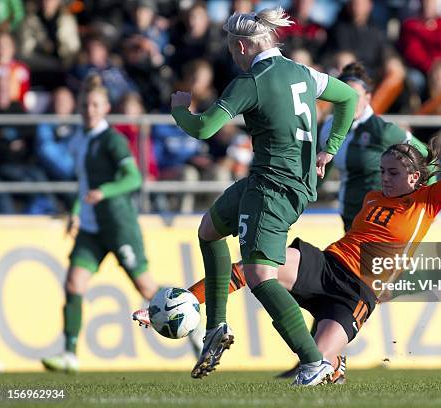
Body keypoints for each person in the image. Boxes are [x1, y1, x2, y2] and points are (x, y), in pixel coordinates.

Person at [134, 87, 441, 384]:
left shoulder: (427, 202)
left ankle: (335, 364)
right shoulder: (372, 197)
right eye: (383, 171)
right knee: (251, 268)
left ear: (415, 178)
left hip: (355, 294)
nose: (385, 178)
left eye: (394, 173)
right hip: (326, 263)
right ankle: (192, 301)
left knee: (315, 366)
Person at [168, 7, 358, 386]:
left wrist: (179, 110)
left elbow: (205, 128)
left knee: (260, 275)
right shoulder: (303, 73)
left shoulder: (252, 81)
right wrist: (329, 148)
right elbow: (349, 98)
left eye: (231, 50)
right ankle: (216, 327)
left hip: (273, 185)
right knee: (209, 229)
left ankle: (314, 360)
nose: (232, 57)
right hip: (281, 181)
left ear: (241, 46)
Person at [41, 74, 159, 372]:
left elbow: (133, 178)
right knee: (73, 283)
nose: (90, 109)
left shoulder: (112, 140)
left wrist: (104, 191)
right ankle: (69, 353)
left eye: (95, 104)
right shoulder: (81, 140)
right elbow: (84, 185)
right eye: (85, 104)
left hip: (118, 225)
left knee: (146, 288)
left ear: (106, 107)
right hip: (92, 228)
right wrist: (77, 211)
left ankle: (191, 320)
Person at [319, 62, 437, 231]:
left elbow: (427, 157)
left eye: (355, 96)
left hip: (379, 219)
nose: (348, 102)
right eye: (343, 96)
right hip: (348, 218)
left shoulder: (382, 130)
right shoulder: (328, 127)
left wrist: (428, 202)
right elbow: (324, 166)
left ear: (368, 97)